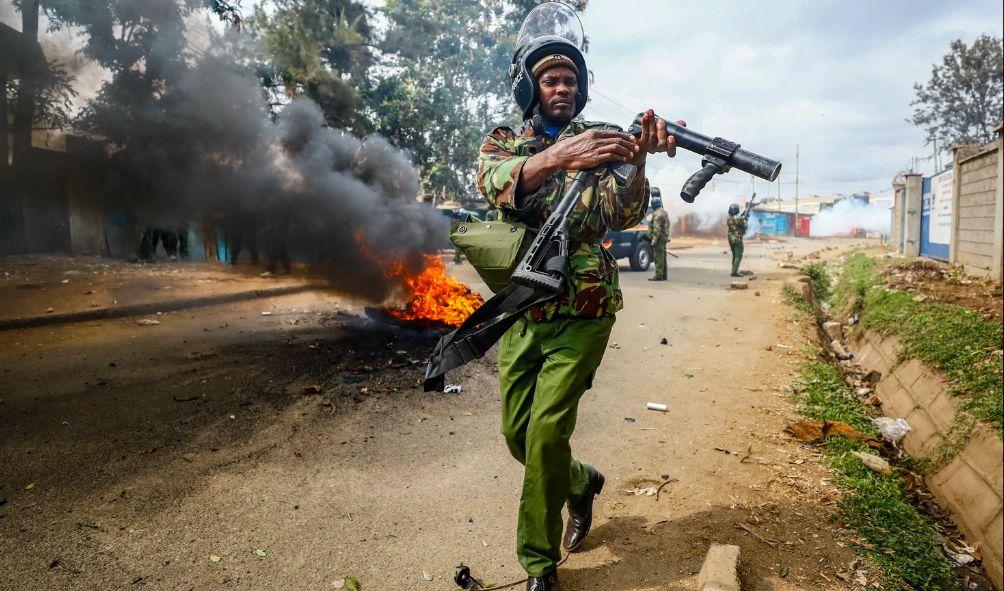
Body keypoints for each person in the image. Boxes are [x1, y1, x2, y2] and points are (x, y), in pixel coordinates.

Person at [476, 6, 685, 588]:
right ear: (532, 87)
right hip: (523, 308)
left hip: (585, 312)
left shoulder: (606, 141)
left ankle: (539, 566)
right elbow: (498, 186)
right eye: (551, 79)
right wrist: (558, 157)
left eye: (570, 79)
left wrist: (637, 158)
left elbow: (625, 211)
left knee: (545, 432)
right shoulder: (504, 141)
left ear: (581, 88)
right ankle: (582, 482)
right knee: (518, 436)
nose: (562, 87)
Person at [646, 187, 670, 281]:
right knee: (663, 257)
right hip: (663, 237)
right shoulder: (664, 212)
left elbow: (656, 229)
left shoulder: (657, 214)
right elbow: (668, 225)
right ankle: (664, 274)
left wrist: (654, 241)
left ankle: (658, 275)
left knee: (658, 257)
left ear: (653, 205)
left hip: (659, 238)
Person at [727, 203, 747, 277]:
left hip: (730, 238)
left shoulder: (729, 218)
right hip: (737, 238)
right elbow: (744, 226)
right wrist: (745, 218)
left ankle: (734, 269)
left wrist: (743, 217)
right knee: (738, 255)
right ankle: (734, 272)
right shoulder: (738, 218)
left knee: (734, 254)